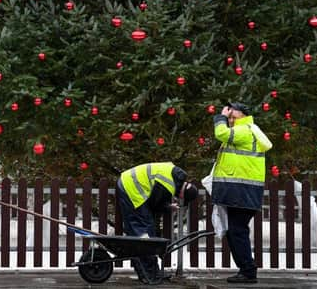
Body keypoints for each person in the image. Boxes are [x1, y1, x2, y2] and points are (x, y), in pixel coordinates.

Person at [212, 102, 272, 284]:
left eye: (232, 113)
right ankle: (246, 269)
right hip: (241, 191)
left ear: (243, 114)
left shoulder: (245, 130)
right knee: (235, 231)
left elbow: (220, 133)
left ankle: (248, 271)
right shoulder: (244, 130)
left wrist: (221, 117)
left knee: (237, 231)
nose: (229, 116)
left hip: (242, 191)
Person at [116, 162, 199, 284]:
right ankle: (149, 273)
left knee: (139, 232)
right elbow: (154, 204)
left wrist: (166, 205)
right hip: (131, 188)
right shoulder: (169, 185)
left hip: (128, 183)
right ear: (183, 194)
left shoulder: (174, 174)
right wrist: (167, 207)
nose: (178, 199)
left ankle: (148, 271)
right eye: (181, 198)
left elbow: (155, 199)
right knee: (144, 232)